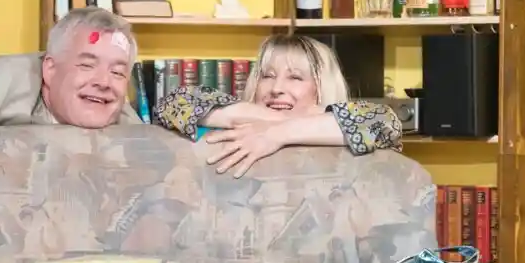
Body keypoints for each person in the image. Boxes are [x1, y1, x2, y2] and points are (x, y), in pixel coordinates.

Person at [153, 34, 404, 178]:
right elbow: (171, 104)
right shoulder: (239, 128)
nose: (276, 88)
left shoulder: (355, 129)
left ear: (321, 88)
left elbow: (386, 122)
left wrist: (277, 134)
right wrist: (264, 119)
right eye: (267, 76)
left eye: (295, 77)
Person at [0, 6, 141, 128]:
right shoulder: (1, 82)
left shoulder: (129, 126)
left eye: (117, 72)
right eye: (87, 65)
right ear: (50, 69)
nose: (103, 82)